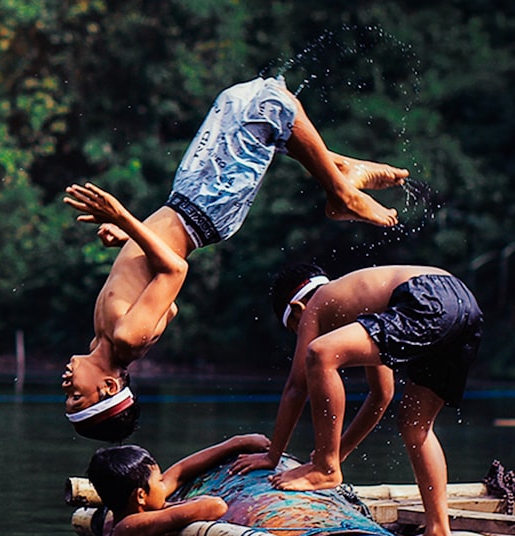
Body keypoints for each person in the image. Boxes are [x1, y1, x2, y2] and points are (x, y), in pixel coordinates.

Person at [63, 76, 410, 441]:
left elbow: (169, 308)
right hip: (206, 209)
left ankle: (338, 168)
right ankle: (341, 192)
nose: (66, 384)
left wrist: (131, 239)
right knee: (270, 103)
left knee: (240, 102)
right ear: (106, 388)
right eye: (74, 395)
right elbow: (176, 268)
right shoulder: (127, 338)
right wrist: (123, 219)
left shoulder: (101, 339)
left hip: (185, 198)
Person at [229, 263, 483, 536]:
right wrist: (340, 451)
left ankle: (324, 469)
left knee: (319, 353)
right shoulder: (361, 302)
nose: (302, 337)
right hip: (464, 302)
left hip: (427, 296)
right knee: (416, 426)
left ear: (298, 309)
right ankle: (439, 532)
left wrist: (273, 455)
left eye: (295, 331)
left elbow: (297, 386)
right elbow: (381, 395)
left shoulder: (319, 302)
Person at [86, 433, 269, 536]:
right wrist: (171, 506)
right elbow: (215, 506)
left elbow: (178, 473)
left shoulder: (112, 520)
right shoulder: (134, 526)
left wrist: (236, 443)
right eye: (158, 481)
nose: (163, 484)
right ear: (141, 496)